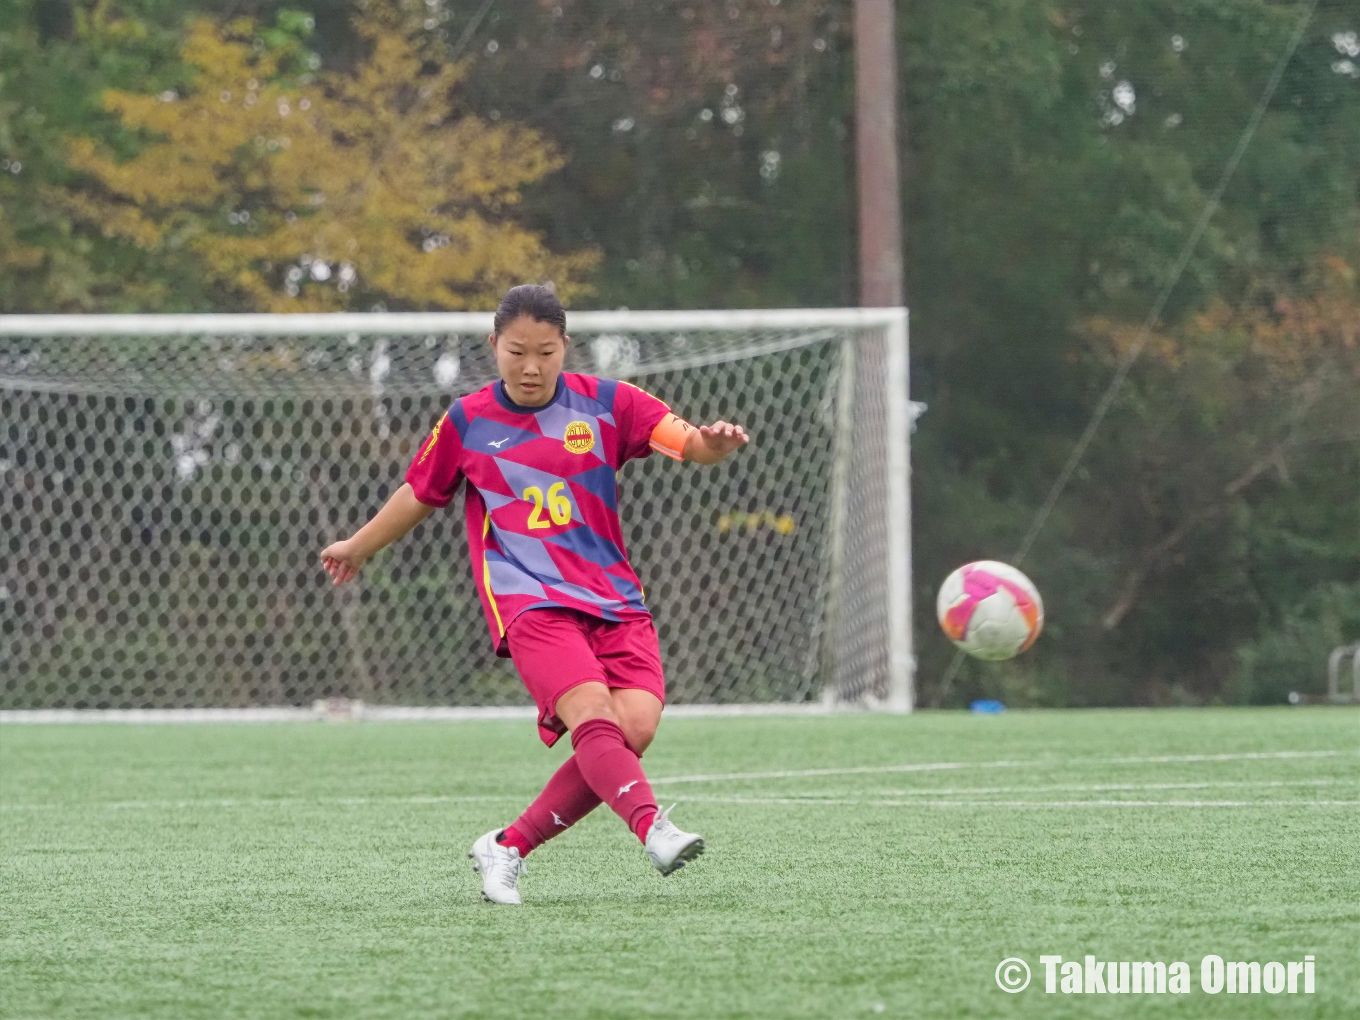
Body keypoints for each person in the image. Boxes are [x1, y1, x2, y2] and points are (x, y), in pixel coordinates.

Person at [319, 284, 750, 904]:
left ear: (565, 348)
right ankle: (652, 827)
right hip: (531, 600)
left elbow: (689, 443)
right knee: (593, 717)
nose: (530, 366)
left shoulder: (611, 403)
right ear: (493, 346)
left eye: (545, 352)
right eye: (516, 351)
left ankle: (508, 846)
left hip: (615, 599)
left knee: (633, 727)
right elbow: (421, 492)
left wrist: (718, 443)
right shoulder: (467, 420)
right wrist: (358, 546)